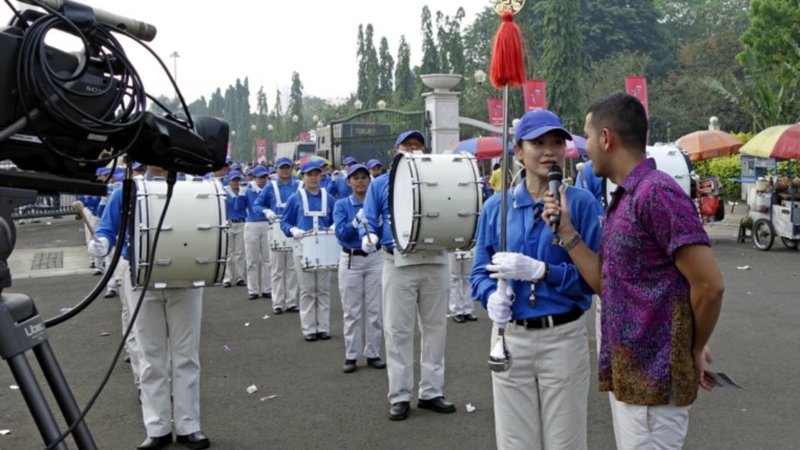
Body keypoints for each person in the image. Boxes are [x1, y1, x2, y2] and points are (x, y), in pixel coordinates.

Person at [543, 92, 724, 449]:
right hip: (632, 383)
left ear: (607, 138)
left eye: (588, 136)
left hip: (655, 384)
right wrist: (567, 233)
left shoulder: (656, 194)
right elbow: (607, 284)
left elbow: (709, 285)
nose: (582, 149)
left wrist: (693, 347)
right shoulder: (626, 197)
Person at [470, 109, 603, 450]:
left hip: (563, 337)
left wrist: (544, 272)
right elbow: (479, 271)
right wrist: (490, 298)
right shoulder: (496, 209)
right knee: (516, 442)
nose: (549, 151)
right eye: (538, 143)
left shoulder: (581, 204)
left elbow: (593, 280)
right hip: (511, 336)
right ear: (518, 151)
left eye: (557, 142)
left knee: (566, 442)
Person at [89, 166, 210, 450]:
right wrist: (103, 242)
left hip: (185, 276)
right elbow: (108, 228)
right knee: (150, 355)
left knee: (186, 355)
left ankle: (188, 425)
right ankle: (157, 428)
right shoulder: (127, 191)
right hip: (140, 277)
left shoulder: (193, 189)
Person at [360, 130, 456, 421]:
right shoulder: (380, 183)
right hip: (397, 260)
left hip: (436, 258)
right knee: (398, 330)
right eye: (407, 146)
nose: (413, 150)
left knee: (435, 328)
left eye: (418, 146)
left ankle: (431, 391)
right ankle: (400, 395)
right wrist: (370, 236)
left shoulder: (438, 177)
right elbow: (368, 216)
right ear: (395, 151)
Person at [333, 163, 385, 373]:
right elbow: (341, 234)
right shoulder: (342, 205)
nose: (360, 181)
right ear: (349, 182)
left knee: (375, 310)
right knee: (352, 311)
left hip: (374, 258)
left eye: (364, 177)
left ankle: (373, 352)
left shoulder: (376, 204)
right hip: (351, 259)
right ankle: (351, 354)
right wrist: (355, 223)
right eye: (356, 178)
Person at [280, 159, 336, 341]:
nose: (313, 178)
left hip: (324, 246)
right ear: (302, 177)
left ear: (321, 175)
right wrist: (293, 230)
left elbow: (337, 216)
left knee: (323, 288)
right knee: (307, 289)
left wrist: (335, 226)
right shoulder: (295, 198)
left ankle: (324, 327)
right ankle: (309, 328)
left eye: (316, 174)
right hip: (303, 246)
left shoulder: (329, 197)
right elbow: (285, 222)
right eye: (309, 174)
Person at [253, 157, 300, 314]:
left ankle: (292, 301)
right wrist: (267, 211)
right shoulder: (270, 186)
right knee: (277, 268)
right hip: (276, 229)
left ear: (291, 168)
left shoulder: (299, 185)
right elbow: (257, 204)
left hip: (294, 229)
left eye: (287, 167)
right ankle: (278, 302)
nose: (285, 171)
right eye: (282, 168)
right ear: (277, 169)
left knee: (292, 268)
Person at [243, 165, 272, 300]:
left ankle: (267, 289)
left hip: (267, 223)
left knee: (267, 259)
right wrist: (239, 193)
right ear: (254, 177)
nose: (262, 179)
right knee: (251, 259)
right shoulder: (248, 190)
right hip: (251, 224)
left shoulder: (270, 190)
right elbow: (239, 207)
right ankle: (253, 290)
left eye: (264, 177)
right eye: (259, 177)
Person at [222, 170, 248, 288]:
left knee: (240, 253)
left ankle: (240, 277)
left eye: (237, 179)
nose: (235, 182)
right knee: (228, 253)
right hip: (229, 223)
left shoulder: (244, 191)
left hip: (241, 223)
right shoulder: (224, 191)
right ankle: (227, 278)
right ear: (229, 180)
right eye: (233, 180)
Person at [448, 250, 477, 323]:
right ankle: (456, 311)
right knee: (455, 279)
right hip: (453, 247)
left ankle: (467, 310)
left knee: (468, 278)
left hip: (468, 247)